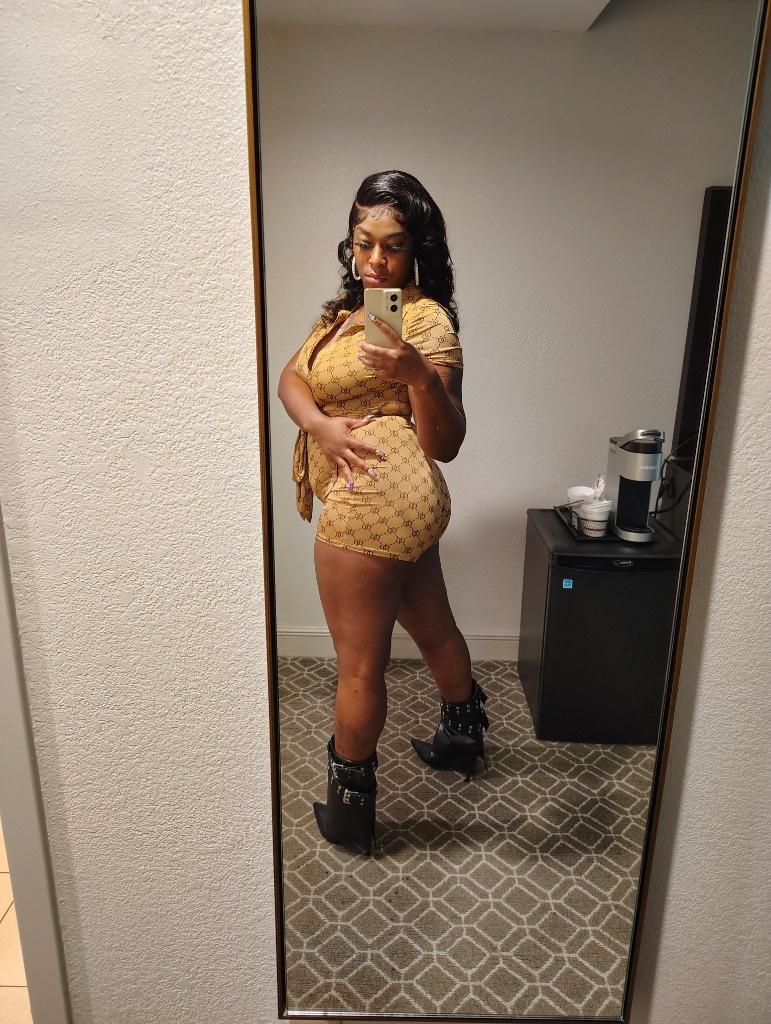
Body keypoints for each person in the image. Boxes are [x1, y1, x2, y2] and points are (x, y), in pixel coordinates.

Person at [277, 170, 488, 855]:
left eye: (392, 246)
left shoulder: (423, 319)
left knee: (359, 667)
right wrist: (321, 427)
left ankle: (349, 811)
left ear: (416, 248)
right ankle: (463, 737)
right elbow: (290, 377)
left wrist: (417, 375)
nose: (375, 260)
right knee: (433, 625)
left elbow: (446, 442)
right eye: (363, 241)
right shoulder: (346, 312)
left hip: (370, 503)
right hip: (403, 503)